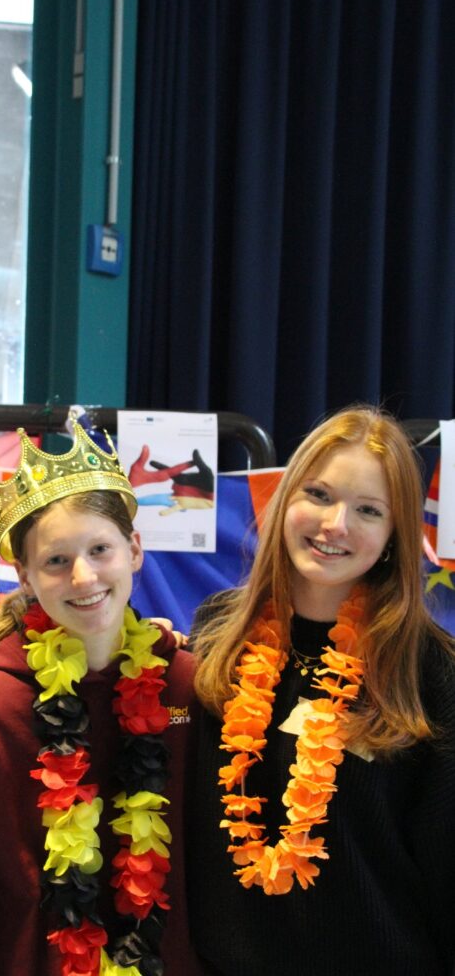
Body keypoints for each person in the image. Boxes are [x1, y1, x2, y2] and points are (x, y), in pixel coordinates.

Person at [0, 420, 203, 976]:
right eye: (56, 561)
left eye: (100, 549)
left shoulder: (188, 685)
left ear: (134, 549)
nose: (84, 576)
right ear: (24, 576)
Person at [188, 405, 455, 976]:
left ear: (394, 536)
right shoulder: (216, 634)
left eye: (368, 510)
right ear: (286, 500)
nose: (335, 524)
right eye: (319, 494)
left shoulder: (431, 672)